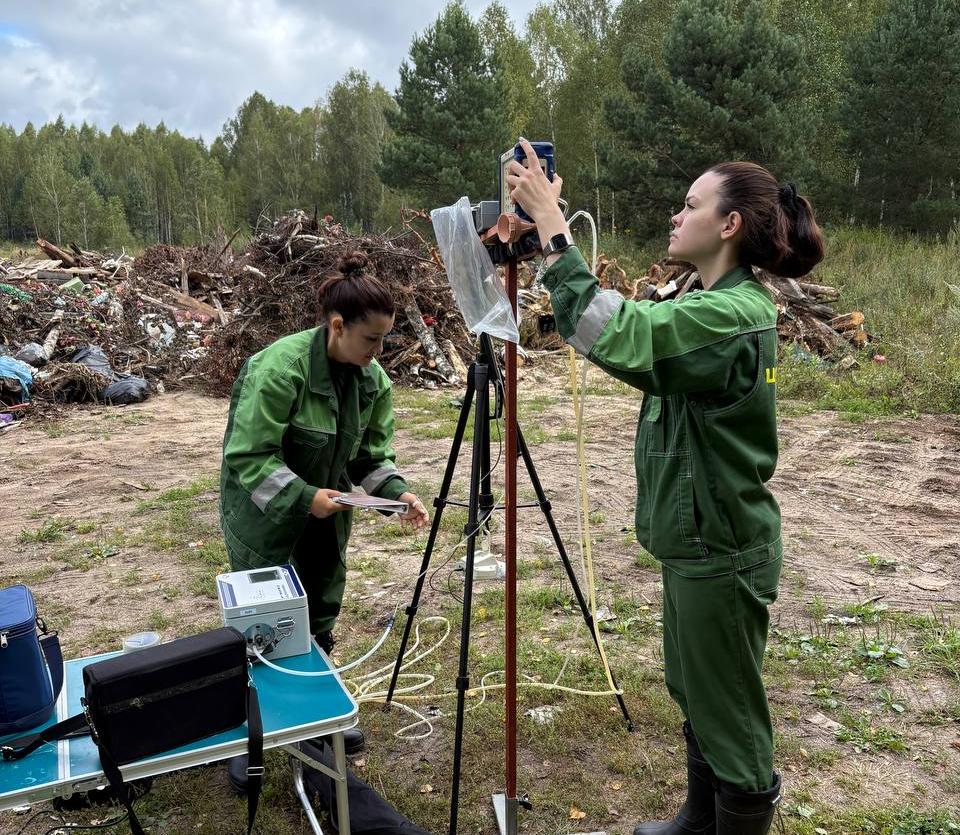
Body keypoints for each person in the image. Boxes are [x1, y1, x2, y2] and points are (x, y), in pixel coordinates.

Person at [507, 139, 824, 835]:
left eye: (690, 205)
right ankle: (696, 821)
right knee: (695, 688)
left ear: (731, 223)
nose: (676, 218)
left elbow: (617, 332)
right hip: (698, 540)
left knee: (729, 712)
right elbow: (631, 338)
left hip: (721, 544)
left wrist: (556, 230)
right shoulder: (708, 299)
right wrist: (539, 240)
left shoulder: (731, 313)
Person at [218, 250, 429, 791]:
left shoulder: (371, 380)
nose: (379, 352)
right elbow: (249, 458)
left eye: (384, 341)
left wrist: (399, 495)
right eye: (371, 340)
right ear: (337, 326)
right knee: (263, 623)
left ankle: (312, 720)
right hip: (265, 516)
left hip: (326, 516)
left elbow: (370, 459)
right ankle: (255, 733)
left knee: (316, 614)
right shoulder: (278, 368)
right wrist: (305, 496)